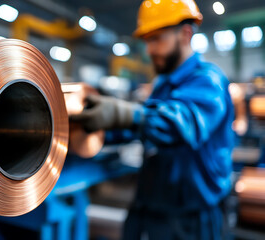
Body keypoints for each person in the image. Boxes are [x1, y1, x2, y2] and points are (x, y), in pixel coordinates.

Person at [71, 0, 235, 239]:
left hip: (192, 219)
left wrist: (122, 113)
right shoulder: (162, 85)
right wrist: (95, 124)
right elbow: (139, 127)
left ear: (185, 34)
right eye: (147, 40)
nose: (149, 50)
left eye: (156, 39)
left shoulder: (208, 80)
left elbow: (181, 125)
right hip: (149, 207)